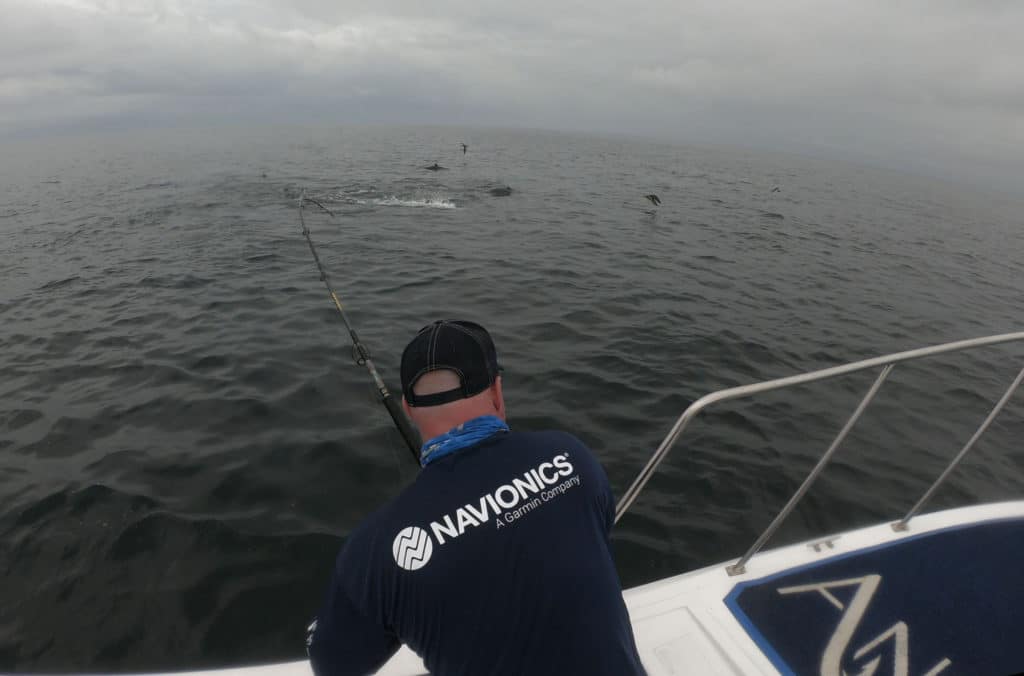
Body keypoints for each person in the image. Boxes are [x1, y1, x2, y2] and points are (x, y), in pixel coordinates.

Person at [307, 319, 646, 675]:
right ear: (497, 391)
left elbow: (331, 664)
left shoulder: (375, 549)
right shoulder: (572, 458)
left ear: (407, 409)